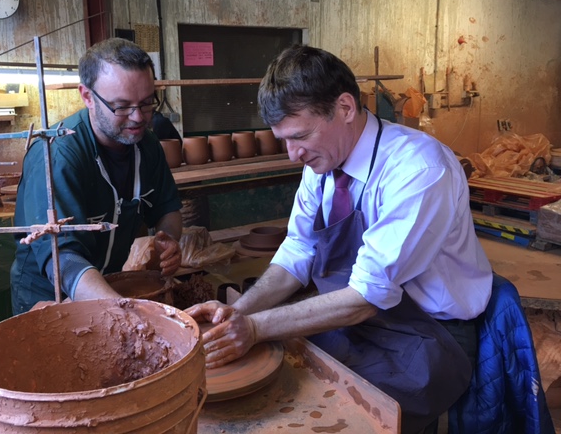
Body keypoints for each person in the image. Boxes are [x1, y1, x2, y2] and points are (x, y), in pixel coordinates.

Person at [186, 45, 494, 433]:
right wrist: (240, 313)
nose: (291, 154)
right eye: (282, 139)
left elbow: (366, 296)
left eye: (299, 136)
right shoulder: (322, 162)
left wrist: (256, 329)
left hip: (429, 335)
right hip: (361, 318)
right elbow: (299, 250)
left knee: (345, 419)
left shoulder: (418, 169)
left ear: (345, 108)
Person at [11, 38, 183, 314]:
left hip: (108, 285)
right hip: (50, 296)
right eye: (122, 106)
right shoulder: (59, 156)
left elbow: (168, 208)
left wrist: (168, 238)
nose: (139, 117)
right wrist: (123, 311)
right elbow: (63, 260)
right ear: (87, 96)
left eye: (147, 103)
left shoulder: (147, 145)